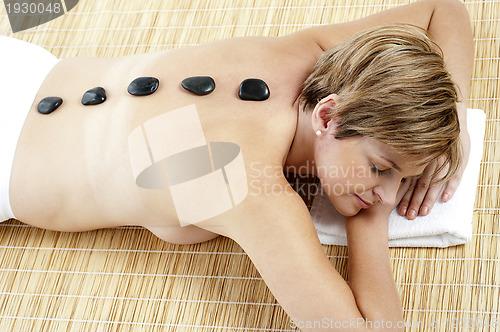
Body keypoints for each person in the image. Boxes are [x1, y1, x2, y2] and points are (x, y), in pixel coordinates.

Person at [2, 0, 472, 330]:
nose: (391, 195)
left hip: (22, 66)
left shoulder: (311, 54)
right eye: (381, 168)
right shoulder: (246, 185)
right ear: (327, 115)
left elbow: (442, 9)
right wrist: (368, 215)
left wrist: (456, 126)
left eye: (401, 180)